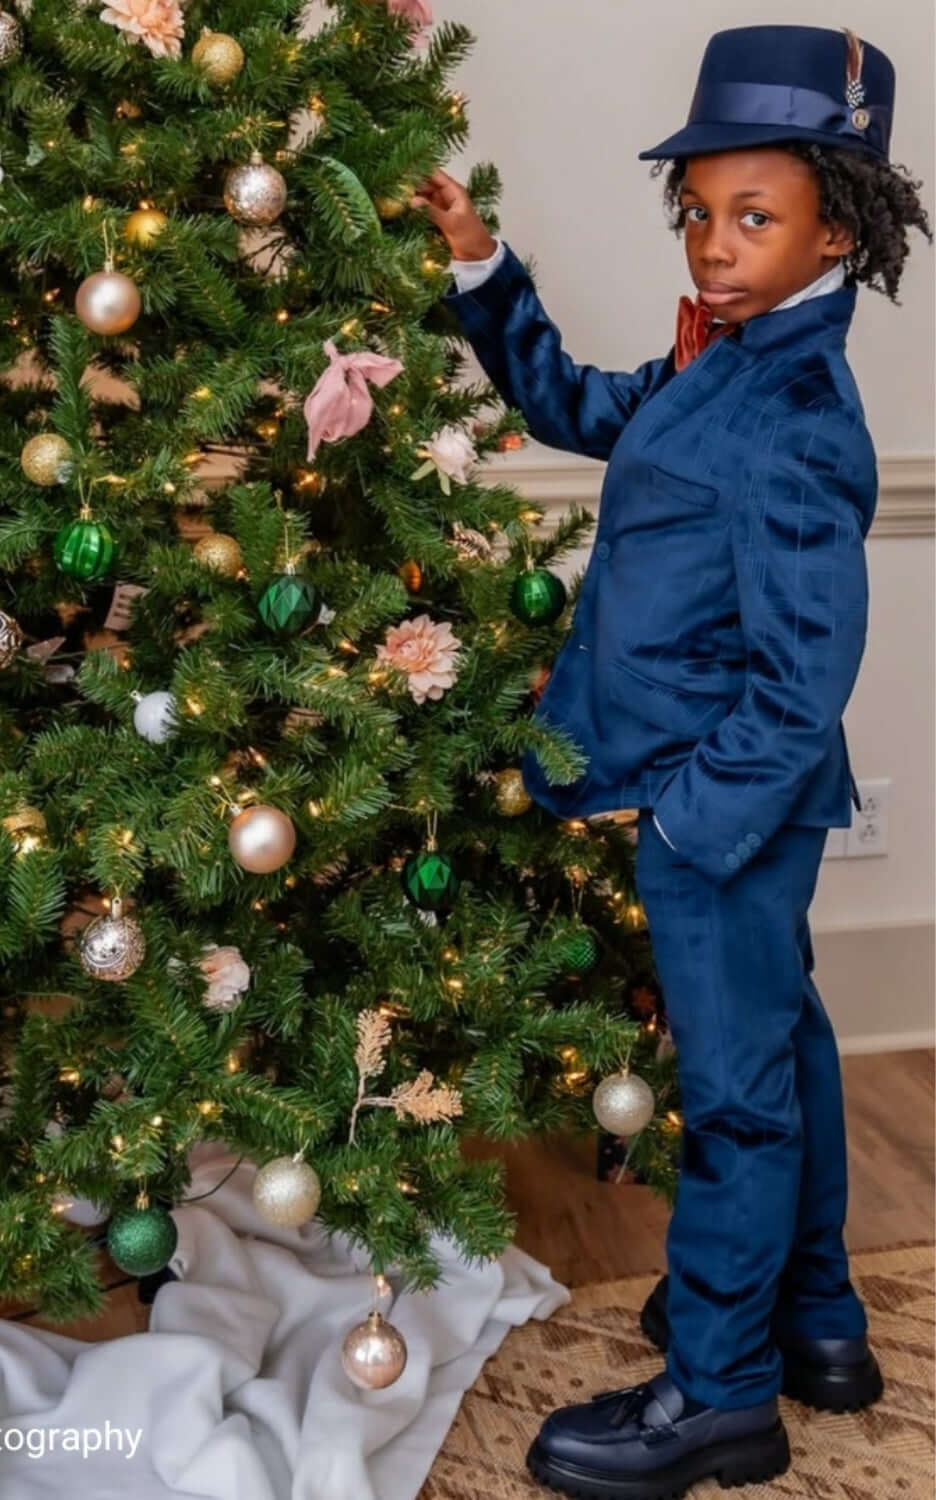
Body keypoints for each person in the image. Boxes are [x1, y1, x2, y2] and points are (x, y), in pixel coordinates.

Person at [412, 23, 931, 1500]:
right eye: (698, 211)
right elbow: (574, 405)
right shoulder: (719, 362)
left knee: (739, 1093)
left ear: (838, 229)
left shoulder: (798, 417)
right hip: (724, 807)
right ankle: (814, 1319)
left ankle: (718, 1393)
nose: (713, 245)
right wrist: (482, 265)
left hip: (726, 813)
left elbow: (805, 674)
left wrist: (694, 825)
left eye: (753, 218)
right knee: (788, 1043)